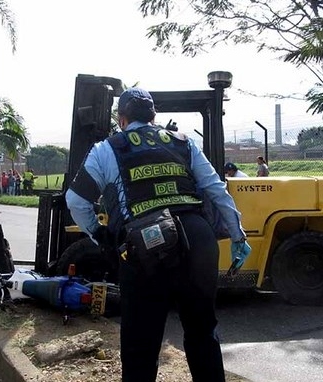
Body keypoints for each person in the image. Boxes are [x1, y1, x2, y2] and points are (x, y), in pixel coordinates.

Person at [65, 87, 251, 382]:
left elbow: (75, 201)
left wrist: (100, 235)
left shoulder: (106, 149)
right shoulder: (183, 142)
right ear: (154, 115)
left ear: (121, 119)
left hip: (146, 246)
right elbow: (217, 190)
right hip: (198, 240)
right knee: (203, 333)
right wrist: (239, 237)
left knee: (141, 344)